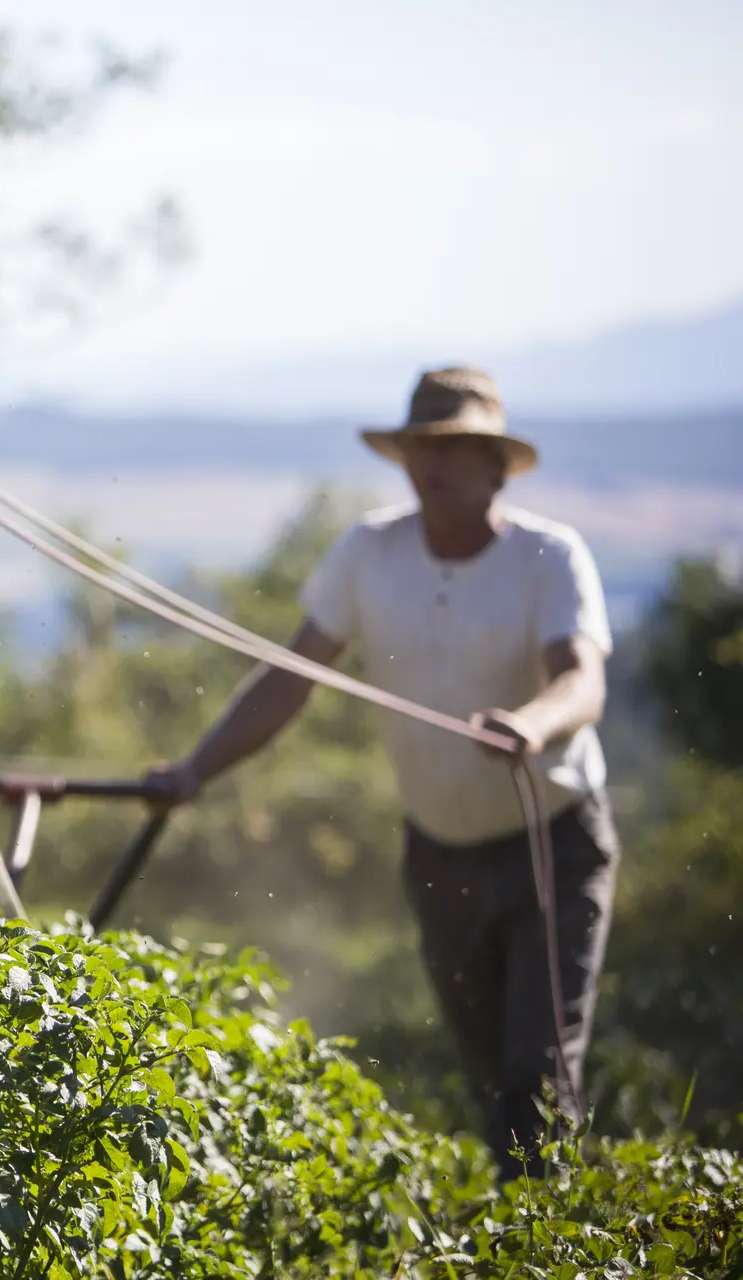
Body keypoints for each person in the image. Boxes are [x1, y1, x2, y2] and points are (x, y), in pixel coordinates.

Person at [143, 367, 618, 1180]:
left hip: (554, 846)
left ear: (498, 466)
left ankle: (545, 1242)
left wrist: (529, 726)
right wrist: (194, 770)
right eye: (421, 450)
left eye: (458, 451)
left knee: (538, 1071)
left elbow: (583, 680)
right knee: (487, 1070)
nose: (434, 467)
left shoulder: (549, 556)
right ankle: (526, 1224)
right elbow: (290, 677)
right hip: (438, 852)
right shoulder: (369, 553)